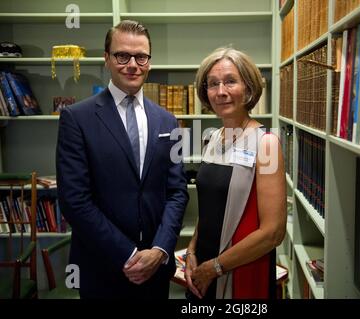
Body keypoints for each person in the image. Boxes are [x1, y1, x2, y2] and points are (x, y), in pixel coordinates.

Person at [56, 20, 188, 299]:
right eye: (122, 55)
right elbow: (74, 200)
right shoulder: (76, 119)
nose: (132, 64)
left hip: (155, 269)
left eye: (141, 56)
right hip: (102, 267)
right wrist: (128, 255)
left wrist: (160, 250)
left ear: (149, 61)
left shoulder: (168, 120)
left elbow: (177, 192)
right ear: (106, 59)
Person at [185, 47, 287, 299]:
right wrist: (191, 250)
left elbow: (273, 232)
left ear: (248, 88)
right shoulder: (211, 138)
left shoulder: (266, 143)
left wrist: (215, 267)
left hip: (240, 270)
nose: (221, 91)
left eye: (230, 81)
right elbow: (209, 207)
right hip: (203, 266)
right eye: (213, 84)